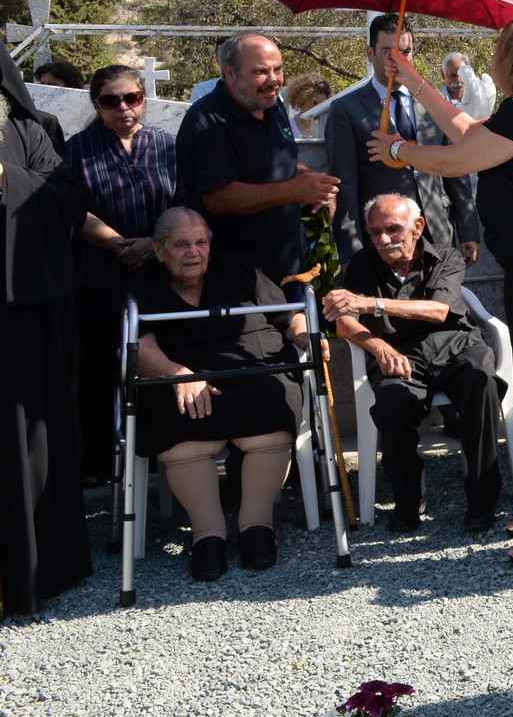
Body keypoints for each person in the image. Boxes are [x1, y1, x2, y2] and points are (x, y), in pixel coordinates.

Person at [366, 15, 513, 567]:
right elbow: (469, 133)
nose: (491, 56)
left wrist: (398, 150)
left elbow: (458, 159)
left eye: (500, 48)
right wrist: (415, 79)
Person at [131, 207, 322, 581]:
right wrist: (176, 374)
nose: (193, 252)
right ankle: (207, 535)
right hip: (185, 375)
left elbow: (289, 315)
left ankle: (256, 525)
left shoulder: (242, 269)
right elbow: (142, 346)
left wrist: (305, 336)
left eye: (200, 242)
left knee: (271, 408)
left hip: (254, 367)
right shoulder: (144, 288)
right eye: (181, 244)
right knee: (181, 430)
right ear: (158, 249)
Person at [323, 193, 503, 534]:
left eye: (392, 229)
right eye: (374, 232)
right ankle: (408, 500)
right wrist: (376, 345)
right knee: (391, 402)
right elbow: (343, 320)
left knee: (482, 381)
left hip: (458, 347)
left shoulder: (446, 257)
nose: (383, 239)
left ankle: (482, 500)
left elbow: (438, 311)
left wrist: (372, 304)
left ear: (417, 226)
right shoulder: (361, 266)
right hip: (402, 356)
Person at [0, 49, 90, 615]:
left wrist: (7, 179)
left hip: (16, 319)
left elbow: (66, 198)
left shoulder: (26, 128)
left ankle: (25, 572)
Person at [66, 65, 182, 485]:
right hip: (98, 275)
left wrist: (152, 248)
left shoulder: (166, 146)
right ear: (96, 105)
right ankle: (97, 463)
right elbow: (73, 210)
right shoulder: (77, 149)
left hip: (158, 275)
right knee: (98, 371)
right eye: (110, 100)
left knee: (156, 363)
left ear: (143, 98)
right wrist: (121, 245)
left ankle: (157, 453)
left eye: (131, 97)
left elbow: (182, 201)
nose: (123, 108)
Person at [176, 32, 339, 281]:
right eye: (260, 72)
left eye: (278, 69)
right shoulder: (206, 122)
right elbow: (218, 199)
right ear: (230, 73)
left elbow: (284, 163)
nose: (273, 80)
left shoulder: (271, 107)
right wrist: (294, 190)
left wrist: (314, 183)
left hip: (286, 262)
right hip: (234, 273)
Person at [327, 14, 480, 267]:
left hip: (437, 233)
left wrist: (468, 231)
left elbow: (455, 170)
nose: (396, 59)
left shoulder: (435, 104)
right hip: (383, 240)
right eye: (387, 51)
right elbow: (346, 189)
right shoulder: (346, 110)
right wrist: (353, 252)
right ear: (369, 53)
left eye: (405, 52)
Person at [285, 73, 332, 138]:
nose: (318, 108)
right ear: (301, 99)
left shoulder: (330, 126)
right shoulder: (286, 127)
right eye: (314, 102)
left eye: (322, 104)